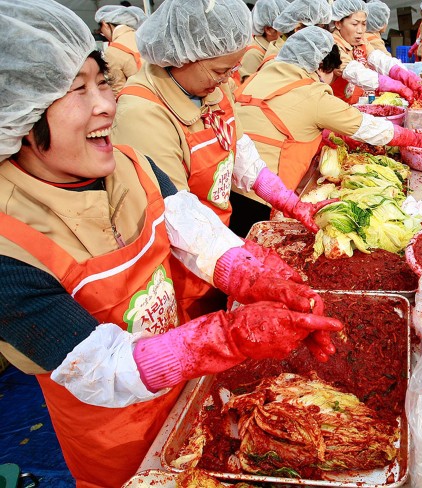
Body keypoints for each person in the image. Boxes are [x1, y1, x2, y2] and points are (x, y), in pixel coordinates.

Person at [0, 2, 343, 486]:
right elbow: (100, 365)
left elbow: (190, 227)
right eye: (77, 90)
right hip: (111, 427)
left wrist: (254, 276)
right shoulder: (8, 247)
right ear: (16, 115)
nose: (105, 104)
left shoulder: (129, 163)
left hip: (181, 371)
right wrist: (232, 335)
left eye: (102, 81)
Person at [112, 0, 333, 322]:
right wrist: (239, 264)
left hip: (220, 237)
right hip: (184, 257)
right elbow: (174, 213)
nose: (229, 78)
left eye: (233, 68)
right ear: (181, 57)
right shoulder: (141, 113)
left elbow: (240, 152)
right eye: (219, 70)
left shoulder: (212, 91)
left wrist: (287, 200)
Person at [233, 27, 422, 235]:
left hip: (230, 184)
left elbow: (286, 118)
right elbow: (370, 129)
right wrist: (417, 139)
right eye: (333, 74)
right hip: (263, 194)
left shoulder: (259, 77)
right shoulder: (313, 93)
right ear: (320, 66)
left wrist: (327, 135)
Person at [329, 0, 422, 105]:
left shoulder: (361, 41)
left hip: (356, 103)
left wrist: (401, 73)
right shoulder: (331, 45)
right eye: (355, 24)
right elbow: (354, 71)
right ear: (338, 24)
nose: (360, 30)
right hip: (337, 107)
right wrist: (391, 84)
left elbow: (378, 58)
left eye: (364, 24)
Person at [256, 0, 333, 74]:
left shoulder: (296, 56)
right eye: (319, 33)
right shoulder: (282, 63)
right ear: (298, 29)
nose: (324, 40)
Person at [95, 5, 146, 94]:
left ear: (104, 24)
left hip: (142, 100)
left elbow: (118, 91)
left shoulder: (112, 51)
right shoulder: (144, 37)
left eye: (101, 30)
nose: (103, 33)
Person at [238, 0, 289, 82]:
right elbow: (248, 86)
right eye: (282, 28)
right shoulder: (254, 54)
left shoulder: (272, 46)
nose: (285, 32)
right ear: (269, 29)